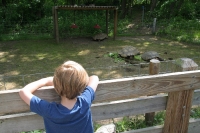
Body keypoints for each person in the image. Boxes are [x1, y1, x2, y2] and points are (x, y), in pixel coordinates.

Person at [19, 61, 99, 133]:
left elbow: (23, 92)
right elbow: (94, 78)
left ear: (56, 86)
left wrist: (46, 80)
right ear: (82, 85)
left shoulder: (48, 110)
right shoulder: (85, 101)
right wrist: (73, 82)